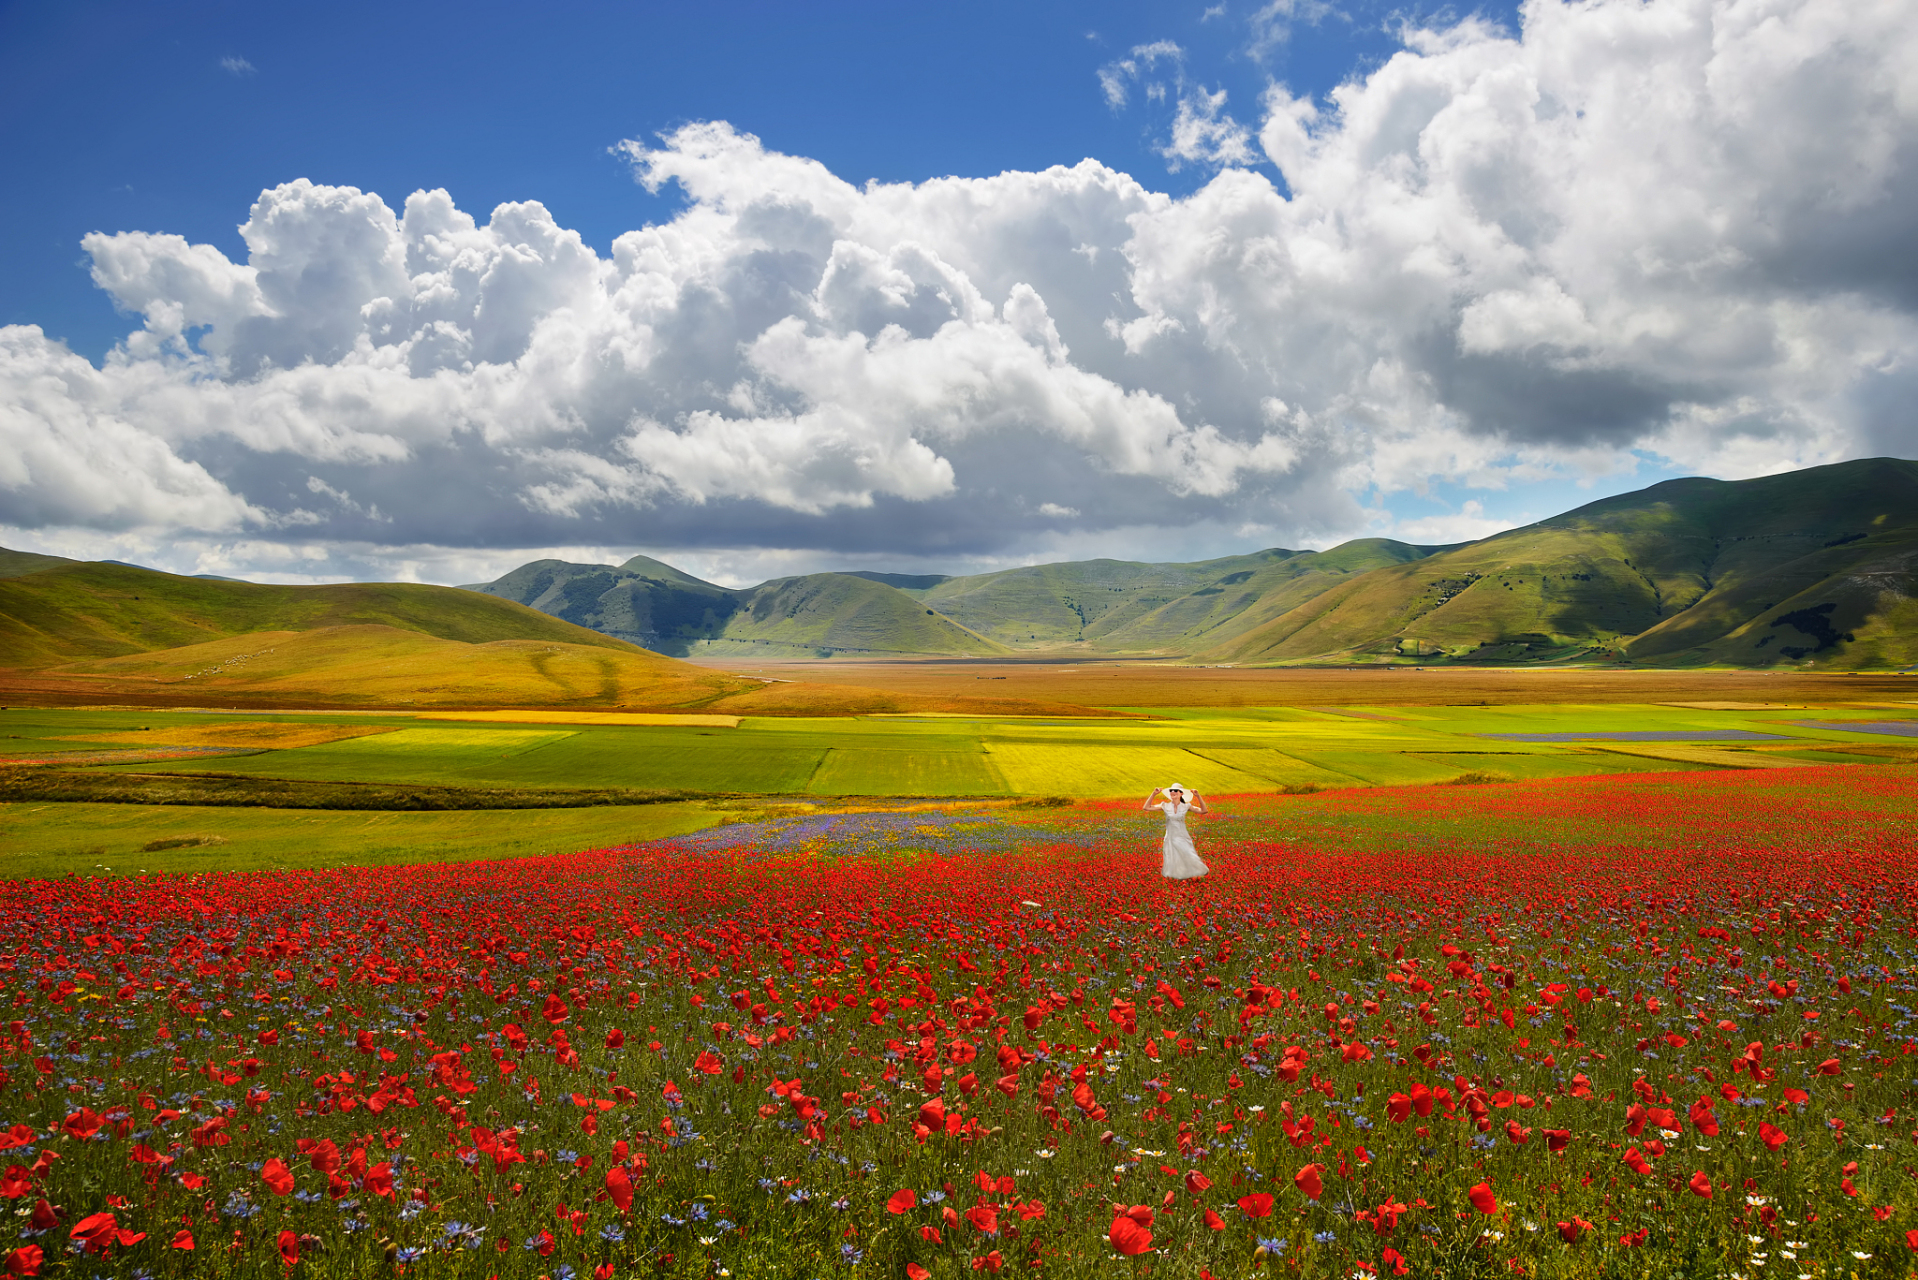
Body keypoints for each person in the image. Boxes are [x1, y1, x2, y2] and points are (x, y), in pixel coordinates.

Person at [1143, 783, 1209, 880]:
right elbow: (1146, 807)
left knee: (1188, 855)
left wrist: (1198, 796)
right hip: (1170, 836)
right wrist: (1154, 794)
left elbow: (1204, 811)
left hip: (1182, 836)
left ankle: (1192, 874)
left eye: (1175, 790)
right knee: (1172, 858)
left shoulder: (1186, 806)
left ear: (1181, 794)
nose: (1172, 792)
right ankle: (1177, 879)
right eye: (1171, 790)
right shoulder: (1165, 805)